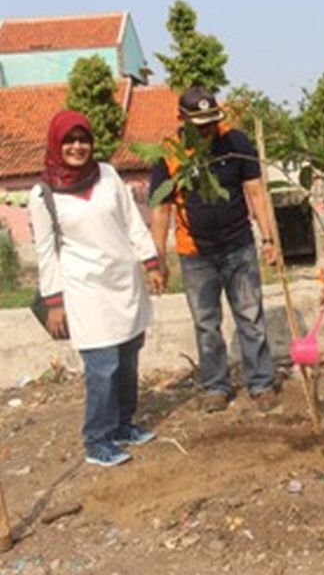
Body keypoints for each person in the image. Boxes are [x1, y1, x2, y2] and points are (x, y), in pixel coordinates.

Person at [30, 110, 164, 467]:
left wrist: (150, 261)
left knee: (128, 357)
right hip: (84, 289)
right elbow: (45, 251)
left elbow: (132, 220)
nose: (77, 147)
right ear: (57, 144)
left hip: (123, 281)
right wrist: (54, 301)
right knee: (102, 365)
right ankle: (97, 439)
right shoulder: (43, 194)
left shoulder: (106, 174)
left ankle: (123, 425)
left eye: (82, 139)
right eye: (68, 140)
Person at [149, 87, 279, 414]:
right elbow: (161, 210)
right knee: (206, 324)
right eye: (200, 123)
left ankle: (261, 382)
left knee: (251, 317)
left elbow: (256, 193)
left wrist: (268, 239)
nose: (207, 129)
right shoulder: (169, 155)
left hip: (239, 246)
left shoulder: (236, 143)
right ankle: (216, 386)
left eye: (211, 121)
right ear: (183, 120)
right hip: (195, 254)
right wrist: (158, 261)